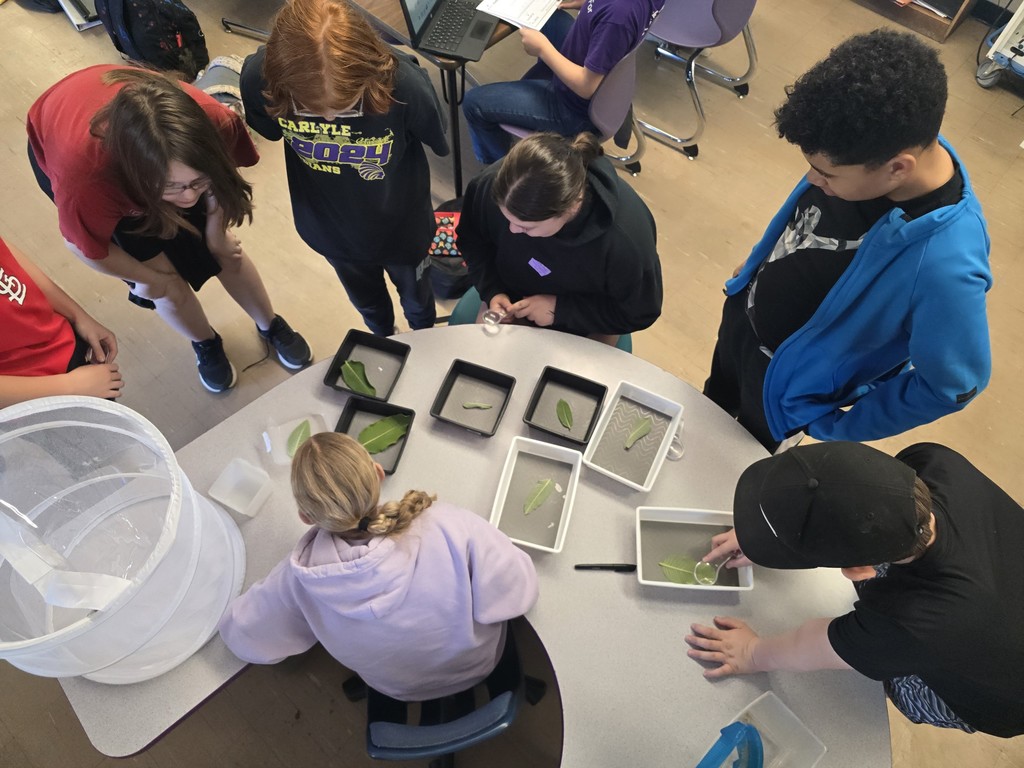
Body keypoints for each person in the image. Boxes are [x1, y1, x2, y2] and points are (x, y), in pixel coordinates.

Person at [703, 29, 992, 453]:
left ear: (898, 169)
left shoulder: (946, 264)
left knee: (734, 465)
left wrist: (839, 426)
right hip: (741, 329)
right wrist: (757, 267)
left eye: (825, 174)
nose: (811, 180)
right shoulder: (871, 143)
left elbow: (953, 385)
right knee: (705, 415)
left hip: (781, 394)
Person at [687, 441, 1024, 738]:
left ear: (859, 571)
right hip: (1003, 576)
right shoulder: (933, 461)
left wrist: (752, 652)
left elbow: (814, 644)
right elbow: (861, 499)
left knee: (894, 671)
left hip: (1003, 698)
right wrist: (764, 532)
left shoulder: (911, 622)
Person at [26, 65, 311, 394]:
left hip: (137, 148)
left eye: (196, 182)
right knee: (166, 285)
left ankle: (270, 325)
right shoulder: (88, 180)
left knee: (227, 253)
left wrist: (217, 231)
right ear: (138, 177)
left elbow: (223, 176)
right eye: (173, 188)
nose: (189, 198)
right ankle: (205, 342)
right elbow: (86, 248)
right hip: (63, 136)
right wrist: (148, 280)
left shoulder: (215, 120)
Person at [218, 432, 539, 702]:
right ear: (377, 472)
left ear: (305, 517)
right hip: (478, 666)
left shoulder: (300, 580)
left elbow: (241, 636)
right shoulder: (448, 525)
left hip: (398, 689)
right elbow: (520, 590)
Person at [240, 0, 449, 337]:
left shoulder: (404, 83)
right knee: (368, 305)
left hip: (403, 226)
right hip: (329, 229)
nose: (328, 118)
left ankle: (425, 335)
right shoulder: (258, 78)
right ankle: (383, 335)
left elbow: (436, 137)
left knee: (418, 300)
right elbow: (268, 130)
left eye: (345, 105)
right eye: (309, 106)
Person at [456, 132, 662, 345]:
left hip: (588, 315)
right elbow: (473, 241)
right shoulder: (494, 185)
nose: (512, 230)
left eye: (527, 227)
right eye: (505, 217)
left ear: (573, 205)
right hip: (509, 293)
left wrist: (559, 310)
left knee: (568, 377)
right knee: (484, 358)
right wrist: (493, 290)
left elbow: (638, 312)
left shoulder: (625, 242)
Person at [461, 0, 664, 164]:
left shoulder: (617, 17)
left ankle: (499, 170)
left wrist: (543, 49)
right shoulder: (625, 11)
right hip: (596, 69)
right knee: (548, 16)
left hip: (572, 108)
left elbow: (586, 87)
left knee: (474, 103)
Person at [0, 235, 123, 406]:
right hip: (33, 397)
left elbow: (7, 256)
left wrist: (78, 315)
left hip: (63, 348)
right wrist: (69, 387)